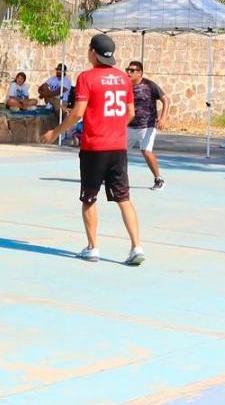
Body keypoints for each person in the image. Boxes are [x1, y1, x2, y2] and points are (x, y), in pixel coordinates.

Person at [42, 34, 145, 266]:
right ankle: (136, 246)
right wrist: (114, 127)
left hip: (94, 147)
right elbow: (130, 113)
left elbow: (77, 113)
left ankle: (93, 247)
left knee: (89, 197)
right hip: (118, 147)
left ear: (92, 53)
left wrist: (55, 133)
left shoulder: (87, 77)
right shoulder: (124, 79)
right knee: (124, 198)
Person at [125, 61, 168, 191]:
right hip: (129, 126)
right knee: (120, 153)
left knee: (146, 151)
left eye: (132, 70)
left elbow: (165, 100)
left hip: (147, 126)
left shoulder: (150, 85)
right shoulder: (125, 85)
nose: (129, 73)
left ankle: (159, 179)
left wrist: (163, 118)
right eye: (128, 70)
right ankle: (117, 178)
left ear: (140, 73)